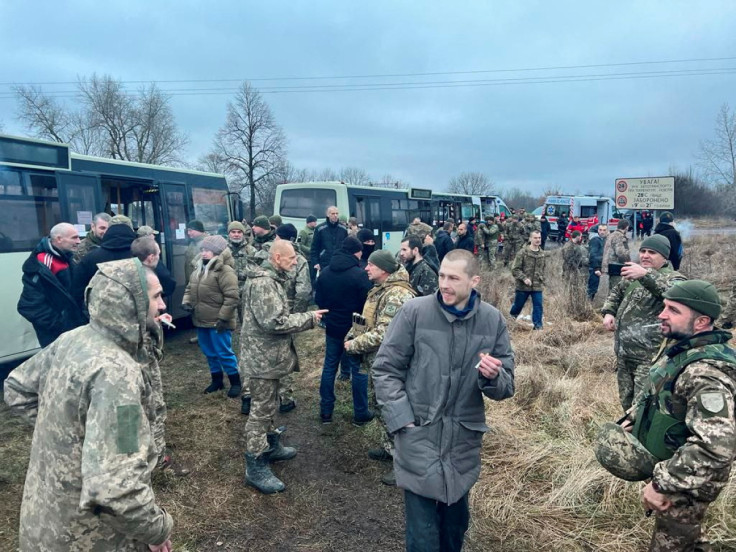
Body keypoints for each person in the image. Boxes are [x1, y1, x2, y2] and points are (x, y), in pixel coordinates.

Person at [5, 259, 173, 551]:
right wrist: (157, 531)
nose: (162, 305)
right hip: (88, 536)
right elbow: (120, 491)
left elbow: (17, 388)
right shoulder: (118, 375)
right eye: (156, 296)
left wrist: (71, 436)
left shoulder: (72, 339)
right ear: (130, 301)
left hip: (43, 520)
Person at [373, 249, 515, 552]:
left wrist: (493, 376)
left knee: (454, 532)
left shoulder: (492, 321)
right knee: (423, 538)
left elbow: (506, 386)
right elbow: (385, 369)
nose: (445, 284)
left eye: (453, 278)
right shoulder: (414, 312)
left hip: (462, 443)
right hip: (418, 437)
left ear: (474, 280)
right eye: (441, 276)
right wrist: (402, 421)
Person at [596, 280, 736, 552]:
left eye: (673, 310)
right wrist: (635, 417)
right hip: (677, 468)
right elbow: (663, 395)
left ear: (701, 321)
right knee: (687, 539)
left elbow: (715, 447)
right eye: (664, 306)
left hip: (687, 481)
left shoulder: (705, 372)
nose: (662, 314)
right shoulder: (683, 348)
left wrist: (662, 484)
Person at [240, 240, 327, 494]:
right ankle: (255, 465)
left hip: (270, 357)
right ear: (277, 258)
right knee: (260, 411)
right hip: (262, 360)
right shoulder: (264, 283)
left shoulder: (271, 278)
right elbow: (274, 322)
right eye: (291, 260)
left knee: (268, 407)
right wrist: (309, 318)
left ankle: (270, 445)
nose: (294, 263)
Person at [344, 250, 416, 485]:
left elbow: (385, 333)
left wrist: (354, 345)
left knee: (394, 410)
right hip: (379, 362)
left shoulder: (396, 295)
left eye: (371, 265)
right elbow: (369, 322)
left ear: (384, 270)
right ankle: (390, 447)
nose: (366, 268)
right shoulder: (382, 290)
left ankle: (404, 463)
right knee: (381, 406)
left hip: (392, 363)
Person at [601, 235, 686, 410]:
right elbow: (616, 293)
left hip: (649, 357)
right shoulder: (634, 275)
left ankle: (642, 437)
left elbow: (676, 296)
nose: (645, 255)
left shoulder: (674, 279)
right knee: (626, 403)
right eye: (643, 251)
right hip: (624, 354)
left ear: (664, 257)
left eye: (652, 252)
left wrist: (646, 275)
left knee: (642, 408)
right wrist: (609, 312)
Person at [315, 237, 373, 424]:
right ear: (356, 252)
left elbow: (320, 300)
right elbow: (367, 304)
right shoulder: (360, 275)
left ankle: (326, 412)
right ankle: (361, 414)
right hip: (354, 328)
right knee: (358, 370)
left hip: (332, 326)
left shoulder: (324, 273)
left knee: (330, 366)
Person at [182, 235, 241, 397]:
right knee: (209, 352)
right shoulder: (199, 269)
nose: (203, 253)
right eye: (202, 250)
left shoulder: (225, 271)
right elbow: (189, 288)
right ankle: (217, 381)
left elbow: (232, 297)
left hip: (218, 322)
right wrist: (187, 301)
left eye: (207, 250)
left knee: (224, 352)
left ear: (218, 252)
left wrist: (223, 318)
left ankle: (236, 382)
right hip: (201, 320)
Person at [17, 222, 86, 348]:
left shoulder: (66, 257)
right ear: (59, 239)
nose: (79, 241)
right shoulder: (43, 263)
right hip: (56, 335)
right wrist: (60, 325)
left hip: (71, 331)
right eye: (74, 237)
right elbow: (28, 306)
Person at [72, 215, 137, 309]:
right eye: (102, 228)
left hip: (100, 313)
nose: (104, 231)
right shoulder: (142, 253)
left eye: (106, 228)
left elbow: (77, 290)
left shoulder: (90, 257)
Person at [510, 230, 546, 330]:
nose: (538, 240)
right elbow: (515, 269)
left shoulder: (542, 254)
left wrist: (543, 279)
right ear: (530, 239)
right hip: (523, 286)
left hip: (537, 285)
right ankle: (510, 321)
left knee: (538, 306)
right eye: (535, 238)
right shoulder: (523, 252)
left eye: (539, 238)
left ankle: (538, 327)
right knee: (518, 306)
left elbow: (543, 269)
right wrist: (524, 278)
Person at [310, 205, 347, 273]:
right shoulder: (320, 229)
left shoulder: (343, 229)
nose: (335, 215)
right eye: (333, 213)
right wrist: (315, 262)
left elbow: (346, 247)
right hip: (324, 263)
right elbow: (314, 248)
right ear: (328, 215)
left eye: (337, 213)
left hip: (339, 263)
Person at [602, 218, 631, 291]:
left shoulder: (611, 235)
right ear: (626, 227)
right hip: (617, 266)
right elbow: (620, 253)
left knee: (612, 288)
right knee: (617, 290)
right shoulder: (620, 236)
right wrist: (628, 263)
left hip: (610, 265)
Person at [587, 224, 609, 301]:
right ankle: (587, 305)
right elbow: (593, 255)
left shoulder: (603, 240)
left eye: (604, 230)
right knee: (591, 289)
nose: (602, 232)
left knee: (594, 288)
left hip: (598, 267)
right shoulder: (595, 240)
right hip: (593, 268)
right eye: (600, 230)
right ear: (598, 230)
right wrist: (596, 268)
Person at [184, 219, 207, 284]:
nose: (188, 233)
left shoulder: (207, 243)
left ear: (198, 230)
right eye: (188, 231)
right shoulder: (192, 243)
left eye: (190, 231)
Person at [298, 215, 318, 283]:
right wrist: (310, 250)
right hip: (307, 259)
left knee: (313, 277)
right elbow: (299, 244)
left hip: (314, 259)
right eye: (314, 222)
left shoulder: (315, 231)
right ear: (309, 222)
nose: (316, 223)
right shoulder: (303, 232)